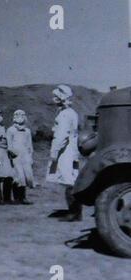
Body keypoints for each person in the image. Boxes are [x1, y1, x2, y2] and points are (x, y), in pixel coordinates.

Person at [46, 85, 82, 221]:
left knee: (69, 181)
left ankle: (74, 213)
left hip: (65, 151)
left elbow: (61, 136)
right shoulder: (72, 113)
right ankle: (76, 212)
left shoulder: (64, 115)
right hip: (72, 151)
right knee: (72, 179)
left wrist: (54, 152)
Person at [6, 110, 34, 205]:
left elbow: (30, 145)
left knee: (26, 176)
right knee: (18, 176)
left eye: (22, 115)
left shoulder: (27, 131)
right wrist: (13, 154)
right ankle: (16, 197)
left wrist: (30, 156)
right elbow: (9, 145)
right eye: (17, 115)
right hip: (16, 156)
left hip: (25, 155)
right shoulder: (11, 130)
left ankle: (23, 197)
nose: (20, 116)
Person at [0, 109, 15, 203]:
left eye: (0, 113)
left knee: (8, 175)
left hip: (5, 152)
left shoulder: (3, 127)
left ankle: (7, 198)